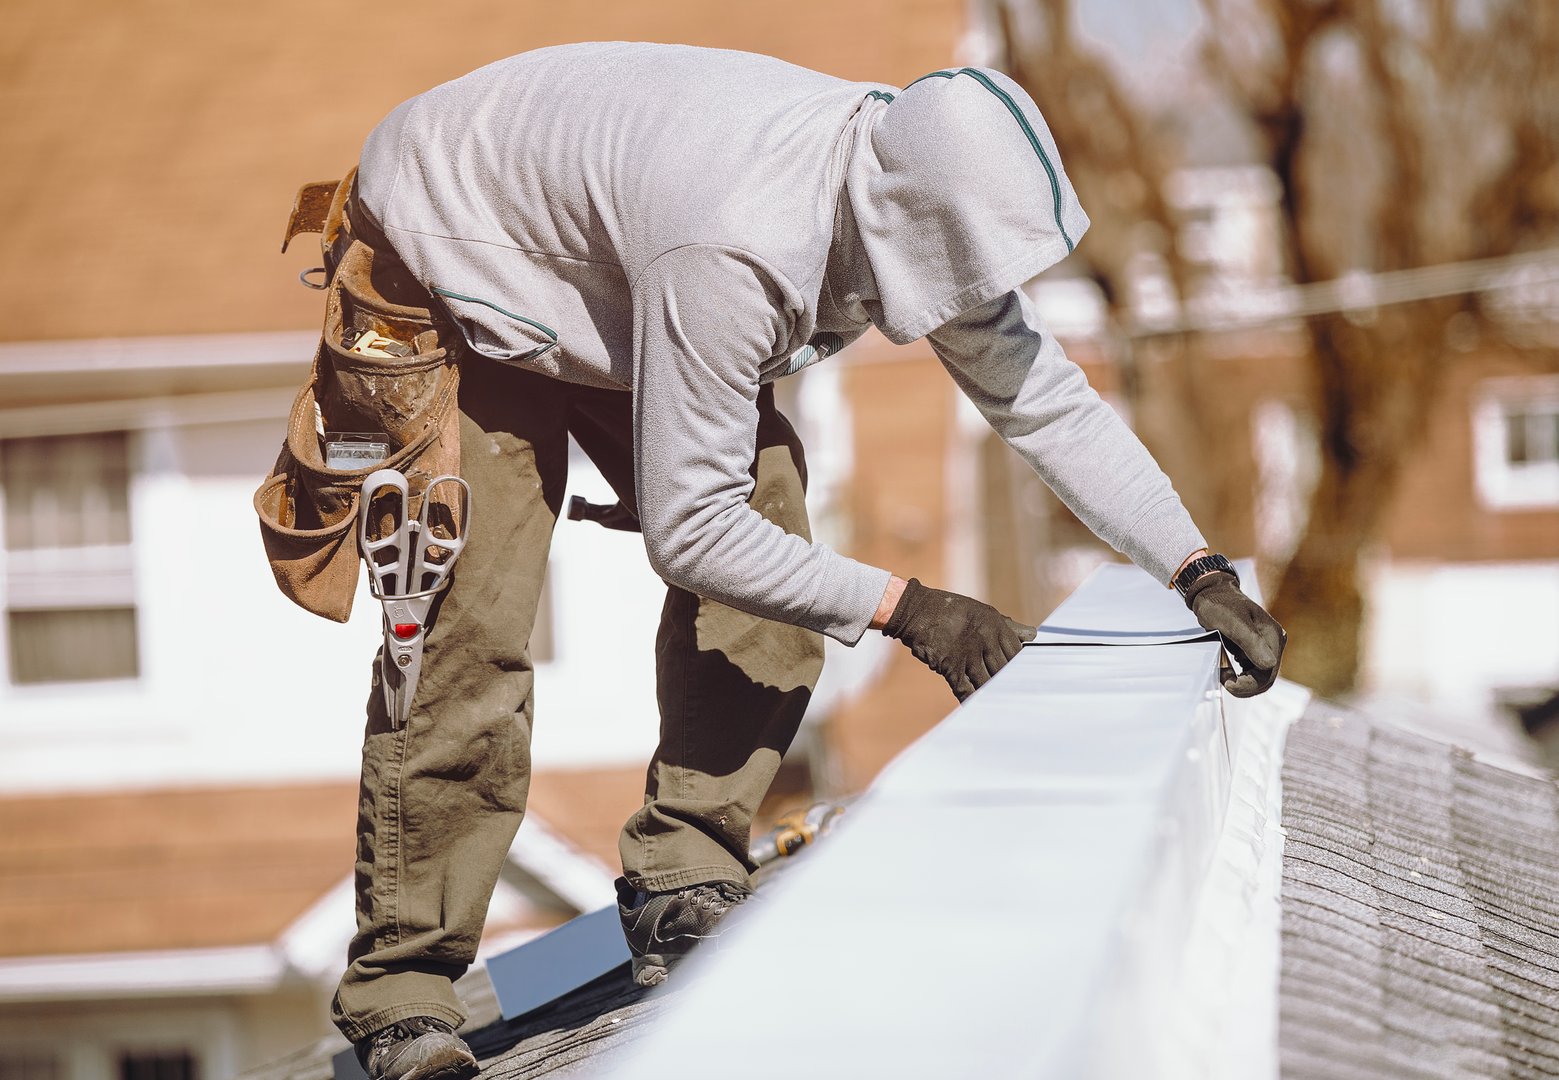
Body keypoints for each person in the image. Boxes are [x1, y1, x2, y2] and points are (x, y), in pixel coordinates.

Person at [323, 42, 1286, 1080]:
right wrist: (911, 608)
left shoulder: (908, 183)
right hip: (445, 252)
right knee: (475, 610)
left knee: (771, 513)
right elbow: (692, 528)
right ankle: (405, 992)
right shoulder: (736, 246)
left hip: (600, 262)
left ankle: (683, 872)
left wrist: (1195, 567)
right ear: (901, 230)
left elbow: (1040, 399)